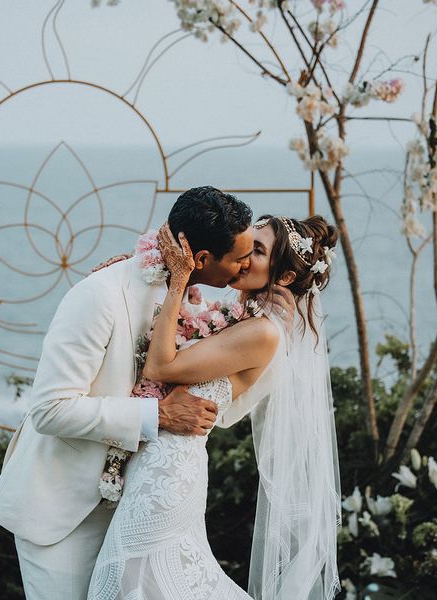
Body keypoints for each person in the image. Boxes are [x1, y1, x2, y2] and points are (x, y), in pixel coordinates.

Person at [0, 186, 294, 600]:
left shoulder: (184, 297)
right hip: (64, 511)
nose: (242, 269)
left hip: (135, 505)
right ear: (202, 260)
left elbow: (219, 393)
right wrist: (158, 417)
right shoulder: (100, 295)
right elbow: (50, 410)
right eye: (239, 258)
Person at [87, 215, 341, 599]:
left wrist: (175, 279)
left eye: (258, 251)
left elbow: (160, 366)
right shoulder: (237, 319)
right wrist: (132, 279)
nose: (241, 255)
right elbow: (173, 332)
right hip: (152, 463)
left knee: (127, 582)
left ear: (284, 277)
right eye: (246, 243)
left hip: (168, 473)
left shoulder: (264, 331)